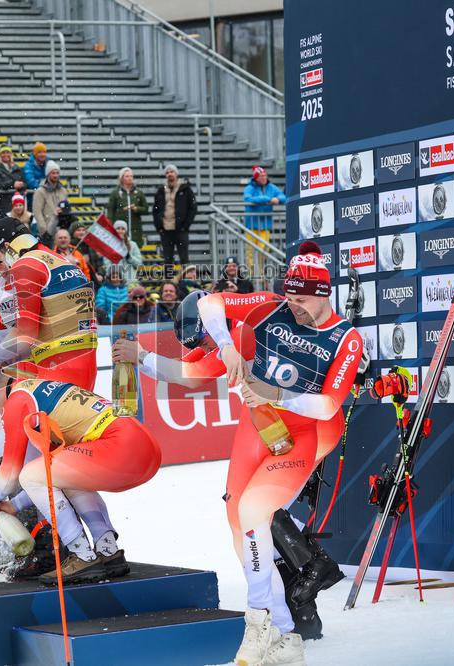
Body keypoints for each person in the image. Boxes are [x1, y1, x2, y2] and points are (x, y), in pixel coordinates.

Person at [201, 244, 360, 665]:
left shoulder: (345, 337)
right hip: (260, 428)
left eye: (302, 300)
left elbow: (327, 404)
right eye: (289, 298)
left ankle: (259, 622)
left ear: (324, 293)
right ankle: (287, 631)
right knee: (240, 522)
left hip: (305, 435)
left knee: (257, 512)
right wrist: (227, 346)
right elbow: (209, 302)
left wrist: (278, 394)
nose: (294, 307)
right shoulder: (274, 307)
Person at [0, 364, 161, 584]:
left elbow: (11, 473)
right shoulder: (34, 387)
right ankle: (107, 550)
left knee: (28, 475)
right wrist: (14, 506)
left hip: (122, 447)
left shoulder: (16, 402)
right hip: (144, 446)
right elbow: (52, 477)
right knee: (64, 475)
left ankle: (81, 554)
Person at [0, 218, 98, 391]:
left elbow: (25, 337)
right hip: (85, 364)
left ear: (7, 247)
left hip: (56, 368)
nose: (2, 264)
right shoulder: (58, 259)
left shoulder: (26, 264)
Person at [151, 164, 196, 273]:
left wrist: (185, 226)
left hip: (180, 230)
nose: (170, 174)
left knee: (184, 258)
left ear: (176, 174)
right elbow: (155, 210)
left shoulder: (186, 190)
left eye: (172, 172)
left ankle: (186, 282)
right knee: (167, 259)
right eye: (167, 172)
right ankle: (169, 282)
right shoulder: (160, 191)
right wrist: (159, 227)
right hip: (166, 230)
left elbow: (193, 208)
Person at [107, 167, 147, 247]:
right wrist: (111, 226)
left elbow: (146, 209)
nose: (130, 178)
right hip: (120, 229)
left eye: (131, 176)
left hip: (135, 228)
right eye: (127, 176)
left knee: (135, 251)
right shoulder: (115, 193)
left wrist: (137, 209)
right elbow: (110, 211)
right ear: (122, 178)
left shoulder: (139, 192)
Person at [32, 160, 67, 245]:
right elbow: (37, 212)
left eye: (57, 173)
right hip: (47, 231)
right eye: (53, 173)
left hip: (60, 230)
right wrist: (44, 230)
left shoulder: (63, 191)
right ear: (48, 174)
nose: (55, 175)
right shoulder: (40, 191)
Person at [100, 219, 143, 285]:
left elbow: (138, 263)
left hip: (130, 281)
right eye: (118, 228)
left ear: (126, 231)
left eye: (123, 229)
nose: (120, 231)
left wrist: (129, 257)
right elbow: (107, 264)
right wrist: (115, 276)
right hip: (115, 281)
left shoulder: (133, 245)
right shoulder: (109, 245)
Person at [0, 146, 25, 219]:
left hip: (16, 203)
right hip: (2, 204)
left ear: (11, 154)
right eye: (3, 153)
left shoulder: (17, 168)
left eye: (8, 152)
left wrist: (22, 185)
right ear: (0, 155)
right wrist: (13, 184)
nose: (5, 154)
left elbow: (24, 183)